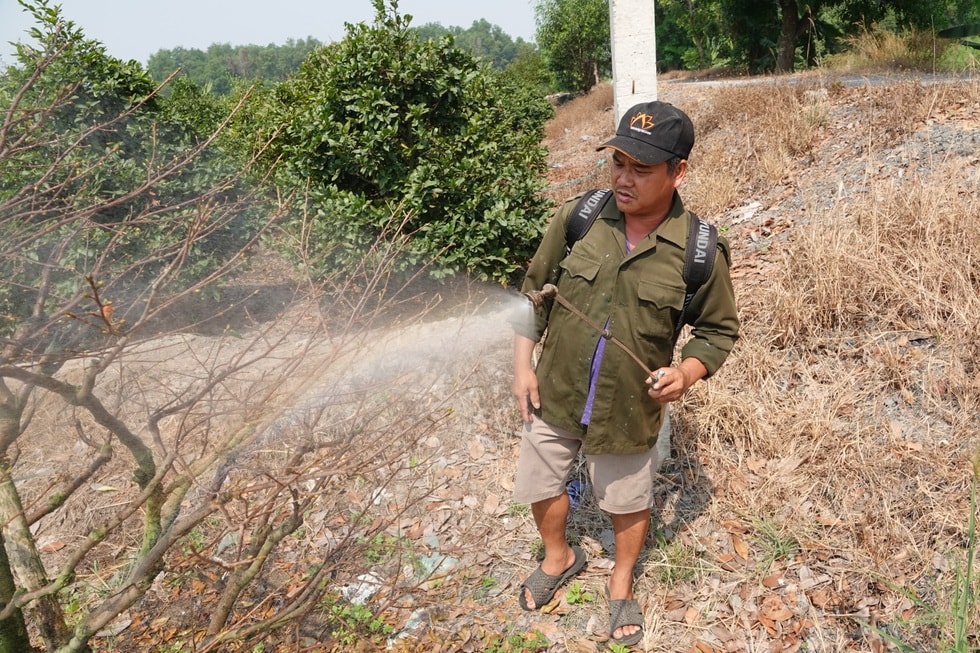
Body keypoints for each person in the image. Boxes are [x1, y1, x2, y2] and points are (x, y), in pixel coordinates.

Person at [510, 101, 739, 647]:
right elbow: (533, 294)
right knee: (542, 481)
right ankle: (558, 556)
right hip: (557, 390)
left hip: (629, 406)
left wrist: (686, 372)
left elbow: (718, 331)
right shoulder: (580, 218)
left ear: (678, 171)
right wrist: (522, 366)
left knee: (627, 500)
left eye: (642, 168)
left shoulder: (699, 252)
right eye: (618, 162)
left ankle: (621, 580)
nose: (623, 179)